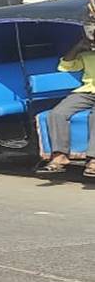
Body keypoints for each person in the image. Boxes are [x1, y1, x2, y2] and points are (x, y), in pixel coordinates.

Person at [42, 22, 95, 176]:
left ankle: (92, 159)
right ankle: (60, 156)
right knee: (57, 113)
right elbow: (65, 66)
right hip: (87, 91)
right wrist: (78, 48)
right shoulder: (86, 51)